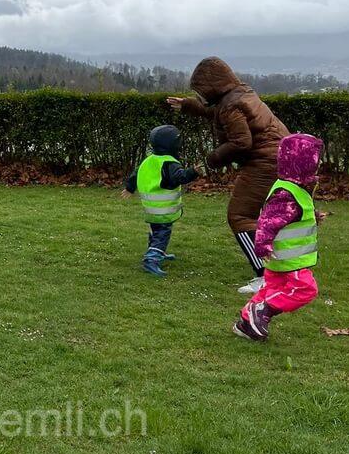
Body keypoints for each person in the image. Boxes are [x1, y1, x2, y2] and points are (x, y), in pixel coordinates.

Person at [168, 57, 288, 294]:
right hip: (279, 156)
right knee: (270, 214)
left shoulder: (231, 104)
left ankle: (266, 277)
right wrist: (189, 105)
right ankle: (283, 268)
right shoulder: (240, 94)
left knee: (240, 216)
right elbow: (219, 112)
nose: (201, 95)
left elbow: (241, 143)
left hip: (264, 162)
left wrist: (211, 160)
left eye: (201, 91)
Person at [233, 134, 323, 343]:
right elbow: (268, 221)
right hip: (289, 260)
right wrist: (262, 245)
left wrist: (313, 217)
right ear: (304, 162)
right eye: (314, 160)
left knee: (272, 289)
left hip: (281, 258)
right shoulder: (287, 193)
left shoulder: (292, 188)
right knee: (305, 289)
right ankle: (261, 310)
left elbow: (290, 216)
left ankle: (247, 323)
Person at [122, 125, 199, 277]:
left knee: (155, 231)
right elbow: (180, 178)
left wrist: (129, 188)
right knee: (162, 233)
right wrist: (193, 172)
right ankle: (152, 259)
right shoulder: (169, 162)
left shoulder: (149, 160)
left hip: (150, 208)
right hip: (164, 209)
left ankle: (158, 252)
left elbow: (135, 174)